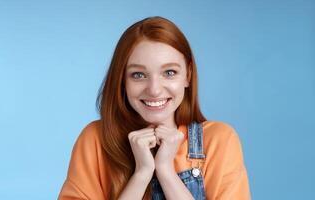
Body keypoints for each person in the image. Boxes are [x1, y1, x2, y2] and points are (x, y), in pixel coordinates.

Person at [58, 16, 251, 200]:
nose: (155, 90)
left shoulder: (218, 140)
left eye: (169, 72)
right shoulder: (96, 139)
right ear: (122, 80)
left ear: (188, 75)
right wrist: (142, 173)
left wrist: (166, 171)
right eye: (138, 75)